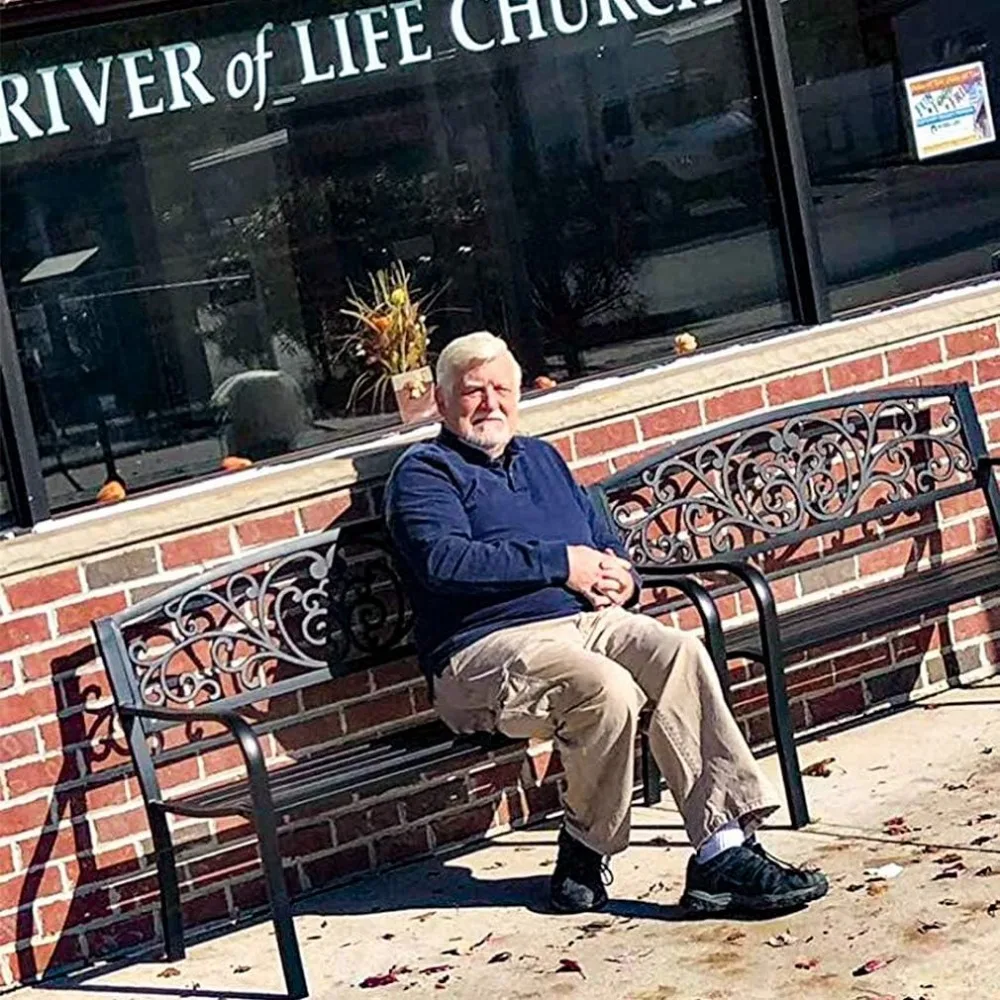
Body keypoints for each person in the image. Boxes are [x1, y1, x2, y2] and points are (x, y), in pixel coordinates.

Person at [384, 331, 828, 916]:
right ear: (442, 403)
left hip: (580, 623)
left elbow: (600, 540)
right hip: (479, 652)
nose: (490, 403)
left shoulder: (542, 458)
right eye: (473, 392)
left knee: (677, 652)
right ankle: (586, 848)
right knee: (605, 687)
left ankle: (722, 854)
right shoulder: (424, 473)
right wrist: (561, 563)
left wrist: (623, 577)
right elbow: (445, 561)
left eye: (502, 389)